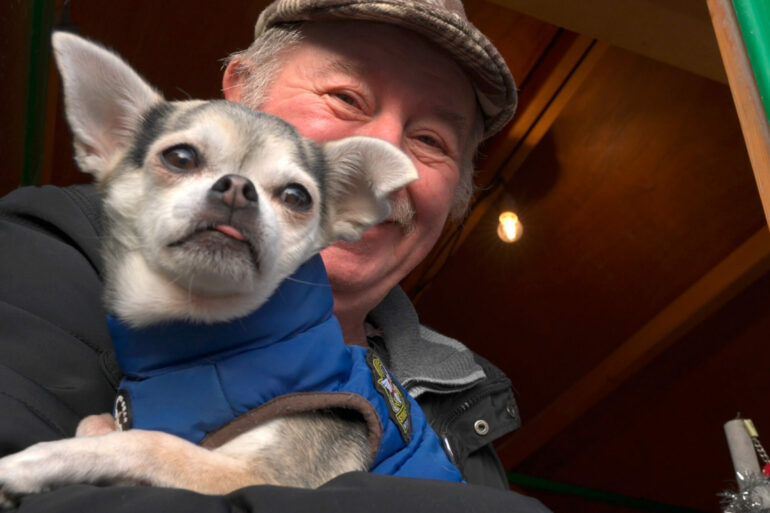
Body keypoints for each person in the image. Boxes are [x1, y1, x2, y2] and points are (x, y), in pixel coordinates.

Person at [0, 0, 551, 511]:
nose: (387, 147)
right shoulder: (51, 250)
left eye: (431, 139)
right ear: (239, 90)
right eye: (346, 96)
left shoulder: (466, 398)